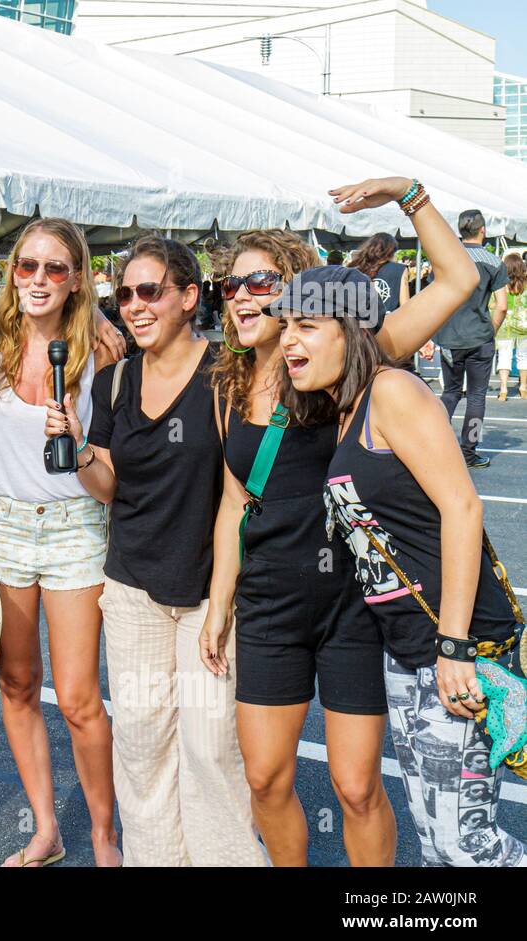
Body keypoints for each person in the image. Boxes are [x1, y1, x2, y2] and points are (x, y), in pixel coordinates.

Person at [202, 177, 480, 867]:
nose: (241, 297)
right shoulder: (229, 383)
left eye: (258, 282)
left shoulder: (354, 357)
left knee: (356, 789)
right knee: (266, 778)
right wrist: (218, 605)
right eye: (230, 287)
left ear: (299, 291)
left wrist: (407, 195)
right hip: (268, 604)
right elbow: (237, 501)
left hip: (353, 607)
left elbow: (457, 280)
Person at [277, 216, 526, 867]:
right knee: (440, 840)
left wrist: (454, 645)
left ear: (352, 330)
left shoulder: (392, 392)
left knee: (466, 845)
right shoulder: (344, 409)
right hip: (410, 651)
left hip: (459, 644)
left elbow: (463, 507)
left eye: (305, 325)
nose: (287, 341)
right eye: (284, 327)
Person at [75, 234, 265, 867]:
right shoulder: (114, 380)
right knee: (142, 745)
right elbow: (108, 486)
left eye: (149, 290)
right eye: (123, 293)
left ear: (188, 297)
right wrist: (79, 449)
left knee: (211, 749)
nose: (133, 304)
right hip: (132, 589)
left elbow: (239, 496)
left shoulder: (225, 376)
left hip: (210, 594)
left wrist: (220, 601)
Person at [0, 218, 127, 868]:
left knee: (81, 697)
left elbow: (114, 467)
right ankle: (47, 831)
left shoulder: (102, 350)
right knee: (18, 683)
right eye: (26, 266)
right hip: (1, 527)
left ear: (77, 278)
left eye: (54, 268)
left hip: (75, 526)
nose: (37, 279)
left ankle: (106, 837)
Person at [433, 209, 508, 469]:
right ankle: (468, 450)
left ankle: (434, 444)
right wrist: (491, 331)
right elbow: (502, 306)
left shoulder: (446, 259)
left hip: (450, 337)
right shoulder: (494, 261)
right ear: (482, 230)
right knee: (477, 397)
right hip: (480, 338)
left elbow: (434, 297)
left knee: (450, 393)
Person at [349, 232, 410, 319]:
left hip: (361, 325)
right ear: (391, 251)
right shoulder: (400, 269)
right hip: (389, 325)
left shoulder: (356, 269)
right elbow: (405, 306)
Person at [494, 253, 526, 401]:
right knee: (523, 357)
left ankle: (503, 389)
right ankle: (523, 388)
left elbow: (493, 305)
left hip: (504, 327)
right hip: (524, 326)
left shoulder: (501, 284)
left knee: (504, 357)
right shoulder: (525, 285)